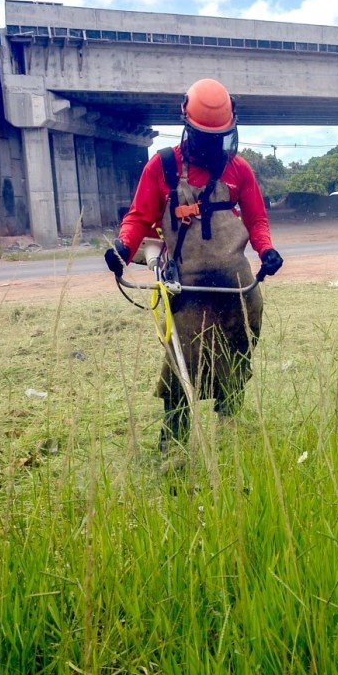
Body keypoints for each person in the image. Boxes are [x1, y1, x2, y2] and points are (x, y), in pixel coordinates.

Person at [104, 78, 284, 451]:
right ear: (188, 127)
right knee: (181, 362)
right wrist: (123, 248)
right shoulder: (163, 167)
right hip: (186, 285)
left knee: (238, 349)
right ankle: (174, 444)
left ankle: (230, 425)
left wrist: (266, 250)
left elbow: (257, 220)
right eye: (205, 137)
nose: (213, 145)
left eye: (220, 137)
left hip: (235, 282)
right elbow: (139, 218)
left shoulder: (239, 170)